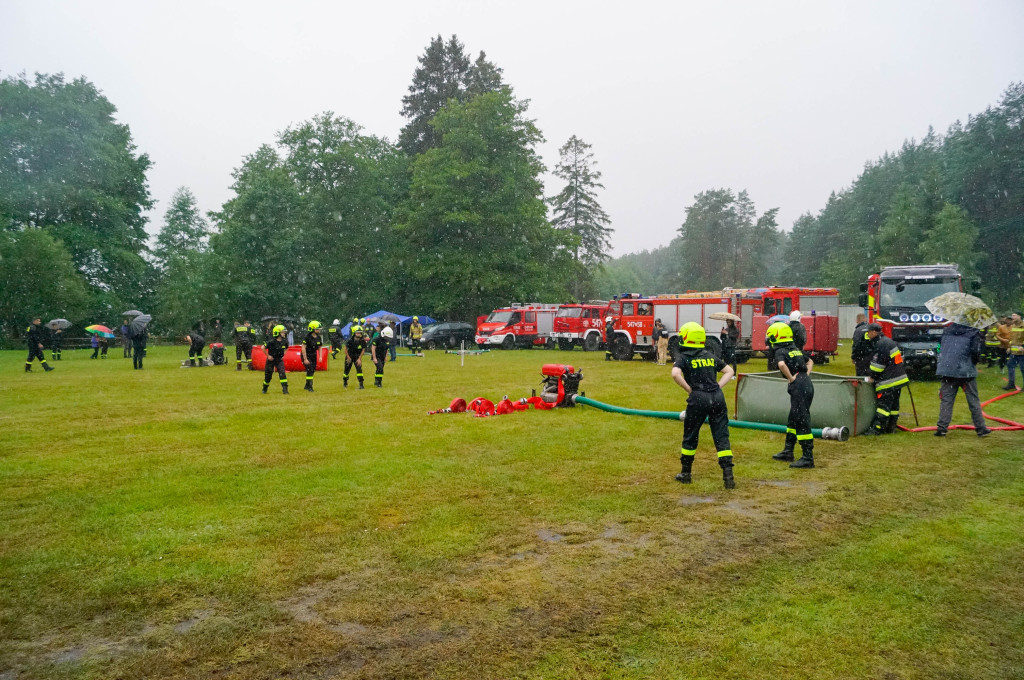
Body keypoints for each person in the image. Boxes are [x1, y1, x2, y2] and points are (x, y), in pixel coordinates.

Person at [671, 322, 736, 489]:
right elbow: (730, 371)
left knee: (691, 435)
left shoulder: (684, 357)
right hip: (717, 397)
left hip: (698, 398)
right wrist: (718, 387)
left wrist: (689, 389)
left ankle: (686, 474)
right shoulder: (709, 355)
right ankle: (728, 477)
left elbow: (675, 374)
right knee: (721, 436)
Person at [767, 322, 815, 468]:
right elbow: (810, 361)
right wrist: (805, 374)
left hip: (798, 385)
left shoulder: (780, 351)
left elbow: (781, 365)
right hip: (805, 383)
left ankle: (808, 457)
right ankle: (788, 451)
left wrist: (791, 378)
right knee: (793, 418)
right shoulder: (795, 349)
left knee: (801, 420)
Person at [934, 322, 991, 437]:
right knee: (973, 400)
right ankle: (981, 428)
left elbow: (940, 347)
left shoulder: (947, 331)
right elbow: (975, 352)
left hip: (947, 370)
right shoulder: (973, 333)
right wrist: (973, 362)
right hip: (966, 371)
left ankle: (942, 428)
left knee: (947, 400)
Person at [863, 323, 909, 435]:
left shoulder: (880, 344)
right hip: (899, 378)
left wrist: (872, 377)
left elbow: (877, 367)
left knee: (883, 406)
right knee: (894, 406)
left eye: (868, 332)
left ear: (874, 332)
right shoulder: (888, 341)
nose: (867, 334)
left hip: (888, 381)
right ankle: (891, 427)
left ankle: (877, 429)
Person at [262, 324, 289, 394]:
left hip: (279, 360)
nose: (284, 333)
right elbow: (263, 347)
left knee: (282, 373)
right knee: (268, 375)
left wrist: (283, 355)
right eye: (283, 332)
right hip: (271, 360)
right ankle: (264, 388)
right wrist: (268, 356)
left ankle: (285, 389)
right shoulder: (271, 341)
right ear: (278, 333)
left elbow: (286, 348)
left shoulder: (284, 341)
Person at [1004, 312, 1023, 391]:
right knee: (1010, 366)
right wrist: (1009, 347)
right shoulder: (1013, 326)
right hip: (1014, 352)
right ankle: (1011, 384)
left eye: (1014, 315)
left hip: (1022, 353)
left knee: (1023, 369)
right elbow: (1011, 338)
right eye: (1012, 316)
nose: (1012, 317)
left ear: (1019, 316)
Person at [301, 320, 322, 392]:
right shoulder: (307, 337)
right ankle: (310, 386)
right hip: (307, 354)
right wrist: (305, 359)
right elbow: (303, 347)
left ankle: (306, 385)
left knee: (312, 370)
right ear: (312, 329)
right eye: (317, 329)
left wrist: (320, 356)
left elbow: (319, 347)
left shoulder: (318, 337)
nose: (319, 330)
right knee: (309, 369)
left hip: (314, 355)